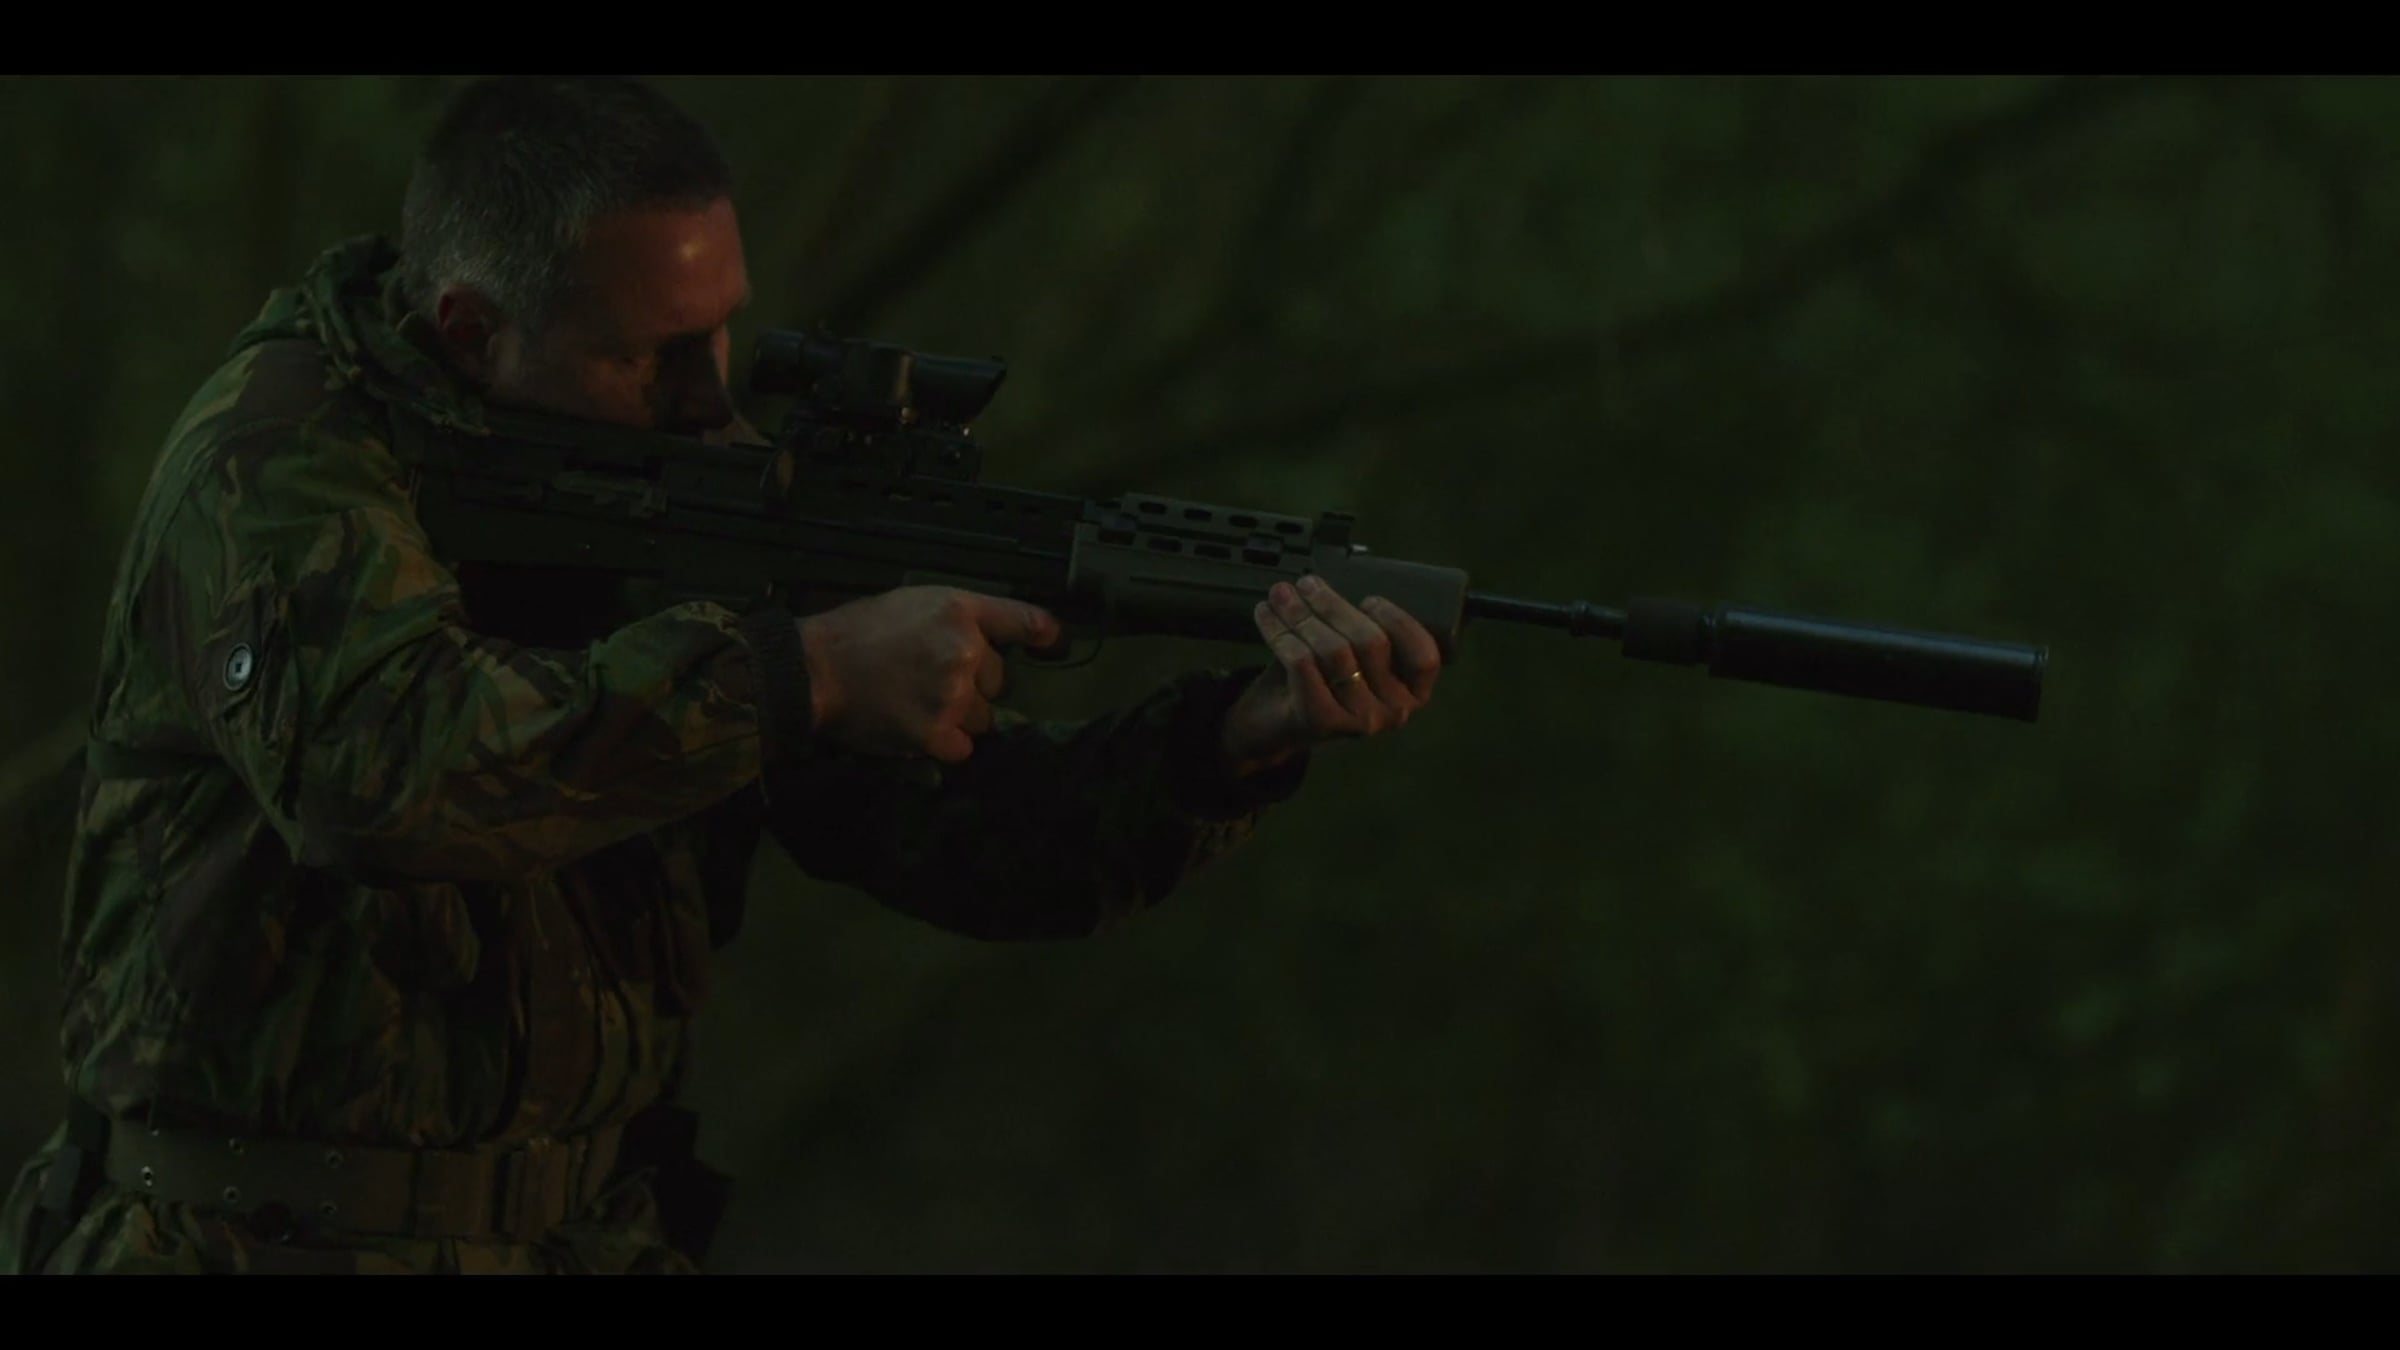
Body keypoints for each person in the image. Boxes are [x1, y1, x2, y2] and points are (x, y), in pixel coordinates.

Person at [0, 76, 1442, 1275]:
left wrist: (1235, 739)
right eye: (653, 354)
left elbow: (969, 842)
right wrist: (804, 669)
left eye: (724, 333)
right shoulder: (277, 464)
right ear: (470, 332)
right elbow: (387, 770)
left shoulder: (687, 486)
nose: (711, 396)